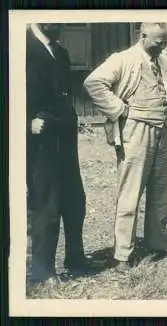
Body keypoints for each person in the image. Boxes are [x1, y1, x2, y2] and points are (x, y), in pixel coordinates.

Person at [83, 23, 167, 273]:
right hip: (135, 133)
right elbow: (93, 82)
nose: (162, 46)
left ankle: (159, 244)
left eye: (165, 41)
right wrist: (120, 109)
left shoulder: (163, 62)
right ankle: (122, 256)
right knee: (130, 193)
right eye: (158, 41)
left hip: (163, 132)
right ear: (142, 36)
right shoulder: (123, 59)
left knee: (164, 192)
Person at [26, 23, 93, 284]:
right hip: (39, 138)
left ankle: (75, 259)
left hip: (64, 135)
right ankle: (42, 270)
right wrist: (25, 122)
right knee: (46, 202)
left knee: (75, 199)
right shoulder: (22, 49)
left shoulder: (61, 53)